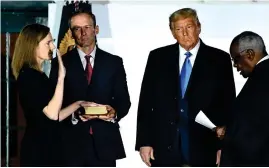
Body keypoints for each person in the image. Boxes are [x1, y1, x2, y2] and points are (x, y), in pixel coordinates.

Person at [135, 8, 236, 167]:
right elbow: (146, 102)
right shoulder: (157, 58)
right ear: (172, 32)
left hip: (204, 144)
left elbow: (228, 104)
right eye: (178, 29)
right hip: (165, 144)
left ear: (198, 27)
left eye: (189, 27)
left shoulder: (219, 59)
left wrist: (224, 145)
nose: (184, 33)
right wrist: (144, 142)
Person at [50, 10, 131, 167]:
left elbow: (124, 101)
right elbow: (55, 105)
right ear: (71, 33)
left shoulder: (114, 62)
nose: (83, 33)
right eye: (77, 28)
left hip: (104, 145)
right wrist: (74, 116)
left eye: (87, 27)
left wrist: (114, 113)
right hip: (70, 145)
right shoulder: (60, 63)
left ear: (96, 29)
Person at [11, 23, 90, 166]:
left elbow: (55, 116)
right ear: (33, 45)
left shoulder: (37, 75)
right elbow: (52, 114)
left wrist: (78, 104)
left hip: (48, 147)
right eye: (48, 43)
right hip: (40, 151)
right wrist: (61, 78)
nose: (53, 47)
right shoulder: (29, 76)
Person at [219, 31, 269, 166]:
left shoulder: (262, 79)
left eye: (236, 59)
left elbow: (253, 128)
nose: (235, 65)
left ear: (250, 54)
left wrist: (228, 133)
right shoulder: (260, 76)